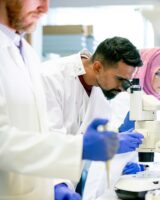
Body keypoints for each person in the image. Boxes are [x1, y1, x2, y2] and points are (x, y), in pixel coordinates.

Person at [0, 1, 119, 200]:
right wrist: (78, 148)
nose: (45, 8)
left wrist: (55, 184)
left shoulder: (26, 52)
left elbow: (38, 134)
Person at [41, 36, 145, 195]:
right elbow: (49, 141)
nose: (123, 88)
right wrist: (56, 185)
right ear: (97, 67)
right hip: (42, 182)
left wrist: (112, 145)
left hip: (68, 185)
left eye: (127, 82)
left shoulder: (101, 91)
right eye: (120, 80)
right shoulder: (50, 77)